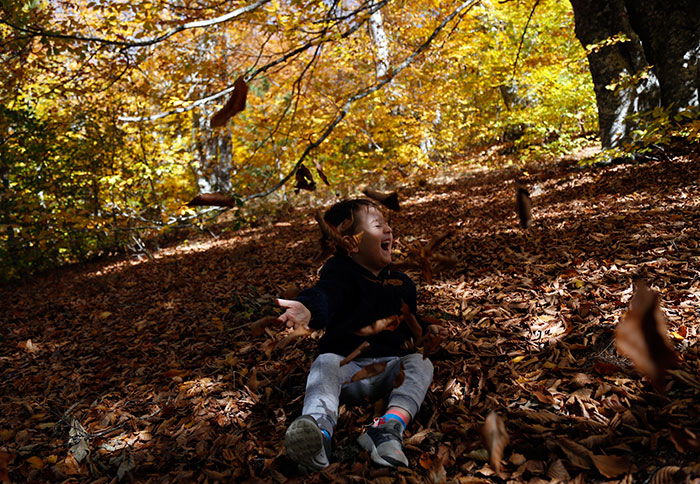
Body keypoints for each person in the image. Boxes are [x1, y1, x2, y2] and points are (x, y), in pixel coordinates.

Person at [277, 198, 448, 473]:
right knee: (325, 363)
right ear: (351, 244)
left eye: (388, 223)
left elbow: (409, 324)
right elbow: (326, 296)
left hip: (391, 368)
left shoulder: (402, 284)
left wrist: (427, 331)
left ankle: (389, 426)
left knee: (421, 363)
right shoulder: (340, 275)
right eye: (378, 224)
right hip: (348, 369)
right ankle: (318, 432)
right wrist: (308, 308)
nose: (389, 230)